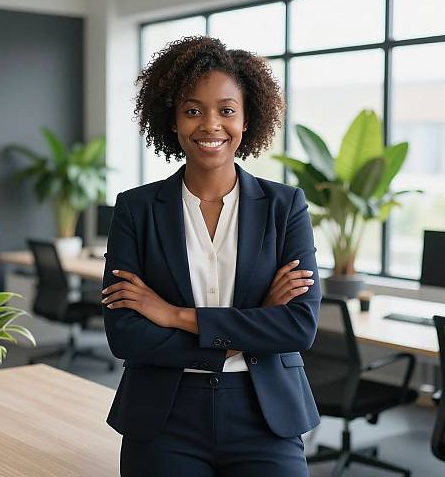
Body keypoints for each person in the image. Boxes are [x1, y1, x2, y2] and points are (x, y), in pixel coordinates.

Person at [101, 35, 322, 476]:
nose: (210, 125)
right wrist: (257, 321)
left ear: (246, 118)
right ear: (174, 120)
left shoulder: (285, 206)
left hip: (265, 414)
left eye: (226, 110)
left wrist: (174, 316)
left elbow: (299, 325)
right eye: (192, 110)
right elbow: (125, 334)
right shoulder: (136, 209)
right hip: (164, 414)